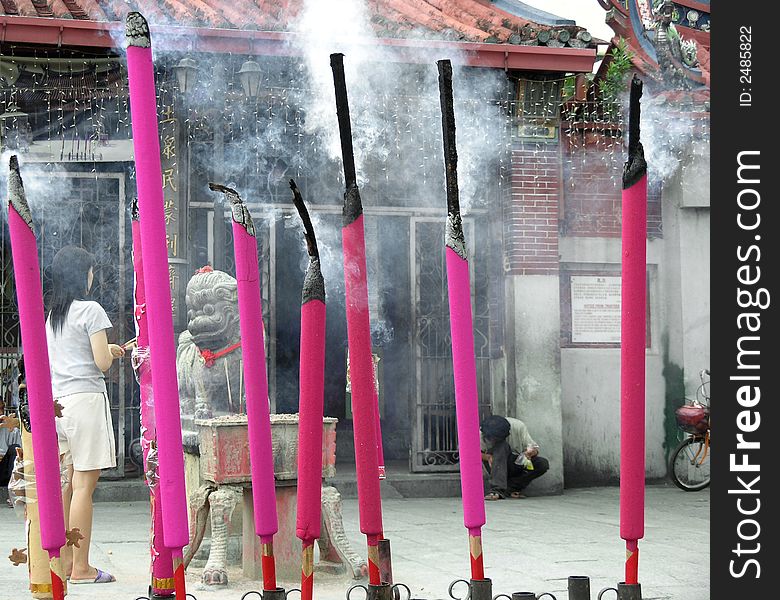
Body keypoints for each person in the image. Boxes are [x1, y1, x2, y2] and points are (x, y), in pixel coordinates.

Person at [45, 245, 125, 584]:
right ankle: (81, 568)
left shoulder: (53, 315)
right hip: (85, 402)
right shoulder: (90, 310)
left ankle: (62, 563)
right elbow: (101, 363)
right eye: (90, 271)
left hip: (58, 405)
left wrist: (107, 350)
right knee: (83, 486)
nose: (93, 276)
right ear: (83, 274)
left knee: (66, 483)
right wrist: (112, 351)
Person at [480, 414, 549, 500]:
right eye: (492, 439)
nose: (494, 441)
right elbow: (469, 454)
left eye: (496, 439)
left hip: (515, 461)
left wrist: (530, 453)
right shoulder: (482, 432)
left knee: (542, 463)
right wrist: (487, 457)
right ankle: (496, 490)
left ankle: (511, 488)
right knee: (501, 446)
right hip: (494, 464)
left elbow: (535, 449)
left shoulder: (518, 426)